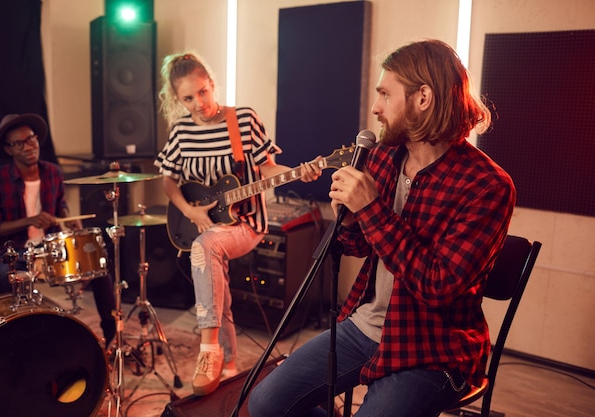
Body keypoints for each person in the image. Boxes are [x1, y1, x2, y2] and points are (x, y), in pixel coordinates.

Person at [248, 39, 517, 417]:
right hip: (365, 326)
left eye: (385, 94)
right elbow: (360, 247)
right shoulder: (386, 158)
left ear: (423, 97)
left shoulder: (487, 185)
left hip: (433, 349)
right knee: (265, 403)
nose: (375, 108)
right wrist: (351, 217)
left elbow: (438, 286)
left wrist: (371, 209)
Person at [154, 52, 320, 396]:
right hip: (201, 223)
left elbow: (267, 168)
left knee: (206, 248)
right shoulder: (181, 131)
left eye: (202, 92)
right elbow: (168, 180)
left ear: (212, 84)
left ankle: (208, 350)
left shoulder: (241, 120)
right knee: (217, 284)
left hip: (245, 225)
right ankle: (229, 364)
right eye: (188, 98)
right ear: (177, 100)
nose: (198, 103)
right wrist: (190, 211)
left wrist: (297, 172)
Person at [0, 113, 117, 348]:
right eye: (19, 143)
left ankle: (112, 335)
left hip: (51, 248)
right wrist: (30, 220)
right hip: (14, 250)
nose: (29, 146)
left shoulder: (52, 172)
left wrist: (68, 218)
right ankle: (13, 342)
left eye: (31, 139)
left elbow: (61, 203)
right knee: (4, 276)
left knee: (99, 262)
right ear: (9, 149)